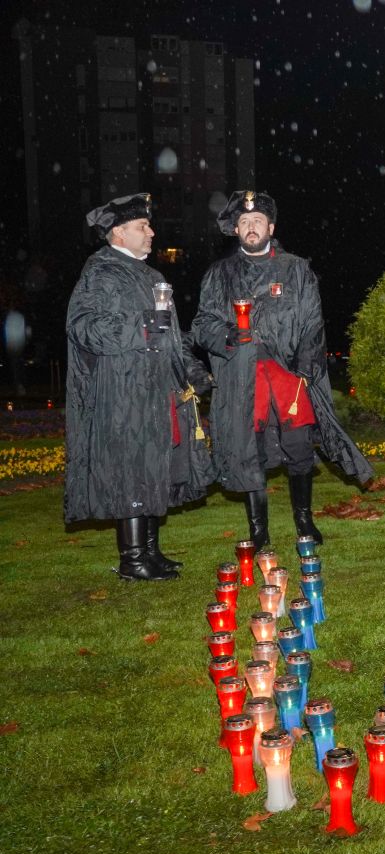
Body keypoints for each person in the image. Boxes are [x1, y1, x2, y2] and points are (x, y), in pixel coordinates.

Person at [193, 191, 373, 549]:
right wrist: (228, 334)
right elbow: (201, 324)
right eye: (244, 222)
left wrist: (305, 365)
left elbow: (312, 321)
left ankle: (304, 520)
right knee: (250, 451)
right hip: (243, 375)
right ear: (236, 229)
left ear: (271, 227)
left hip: (288, 374)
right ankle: (258, 529)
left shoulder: (296, 269)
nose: (251, 227)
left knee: (299, 447)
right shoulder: (220, 274)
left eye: (257, 221)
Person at [63, 193, 211, 579]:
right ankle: (132, 560)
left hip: (155, 389)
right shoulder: (100, 271)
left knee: (153, 466)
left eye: (148, 225)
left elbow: (169, 336)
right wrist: (140, 327)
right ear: (118, 232)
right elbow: (82, 326)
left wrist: (193, 371)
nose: (151, 232)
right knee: (129, 470)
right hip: (123, 391)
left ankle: (151, 551)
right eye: (142, 227)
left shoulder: (153, 277)